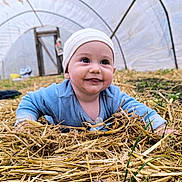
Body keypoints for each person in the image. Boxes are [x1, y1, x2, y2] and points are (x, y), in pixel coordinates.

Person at [15, 28, 171, 135]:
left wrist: (157, 126)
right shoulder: (57, 95)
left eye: (104, 62)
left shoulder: (112, 96)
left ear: (114, 71)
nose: (96, 69)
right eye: (85, 60)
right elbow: (30, 101)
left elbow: (138, 109)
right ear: (67, 71)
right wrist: (26, 121)